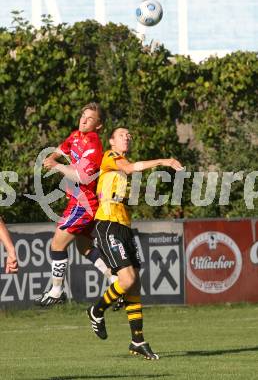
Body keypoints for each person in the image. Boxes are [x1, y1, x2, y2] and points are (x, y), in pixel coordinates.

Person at [87, 127, 184, 360]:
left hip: (124, 227)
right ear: (111, 141)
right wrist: (164, 160)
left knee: (135, 284)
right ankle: (96, 309)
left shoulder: (121, 165)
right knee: (127, 279)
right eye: (122, 135)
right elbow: (131, 168)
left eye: (129, 134)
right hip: (108, 224)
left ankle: (137, 341)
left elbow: (130, 171)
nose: (127, 137)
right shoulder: (110, 157)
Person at [35, 102, 116, 307]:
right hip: (78, 200)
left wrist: (57, 165)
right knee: (85, 248)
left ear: (98, 125)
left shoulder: (94, 145)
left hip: (85, 204)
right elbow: (63, 148)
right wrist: (52, 156)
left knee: (57, 244)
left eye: (90, 118)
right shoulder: (76, 136)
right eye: (83, 115)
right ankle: (117, 282)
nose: (84, 120)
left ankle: (56, 291)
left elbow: (84, 177)